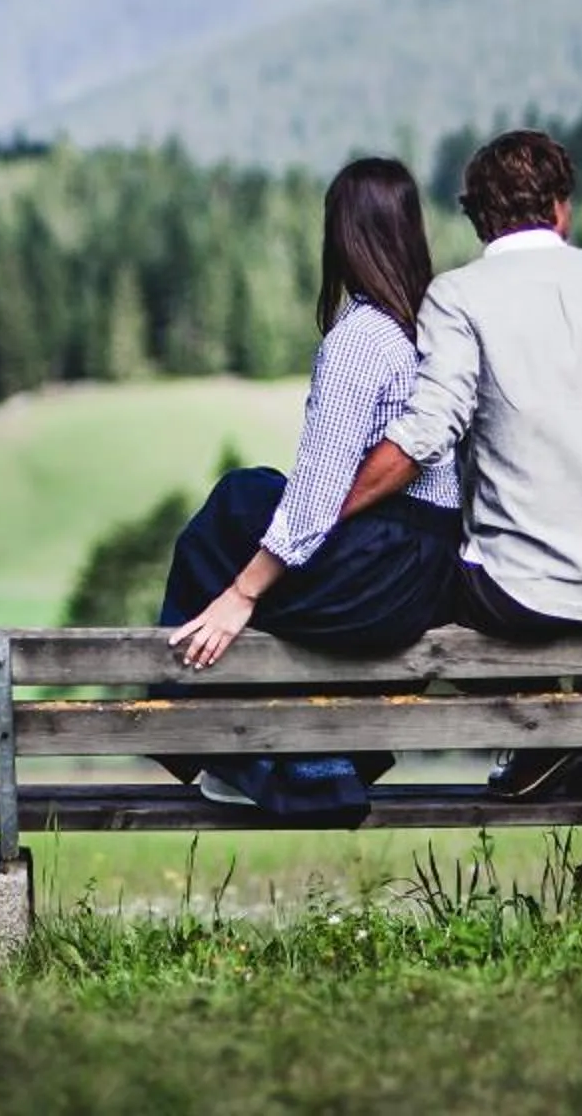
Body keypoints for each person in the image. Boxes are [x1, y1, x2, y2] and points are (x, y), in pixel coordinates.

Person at [328, 128, 582, 798]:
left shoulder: (458, 295)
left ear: (479, 218)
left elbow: (428, 431)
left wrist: (331, 508)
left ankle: (542, 736)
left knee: (440, 557)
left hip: (511, 597)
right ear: (561, 208)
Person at [160, 156, 462, 813]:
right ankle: (297, 756)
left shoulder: (360, 339)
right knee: (256, 500)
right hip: (428, 574)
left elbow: (319, 491)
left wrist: (242, 593)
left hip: (380, 575)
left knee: (233, 507)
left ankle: (230, 750)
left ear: (342, 238)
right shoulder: (435, 334)